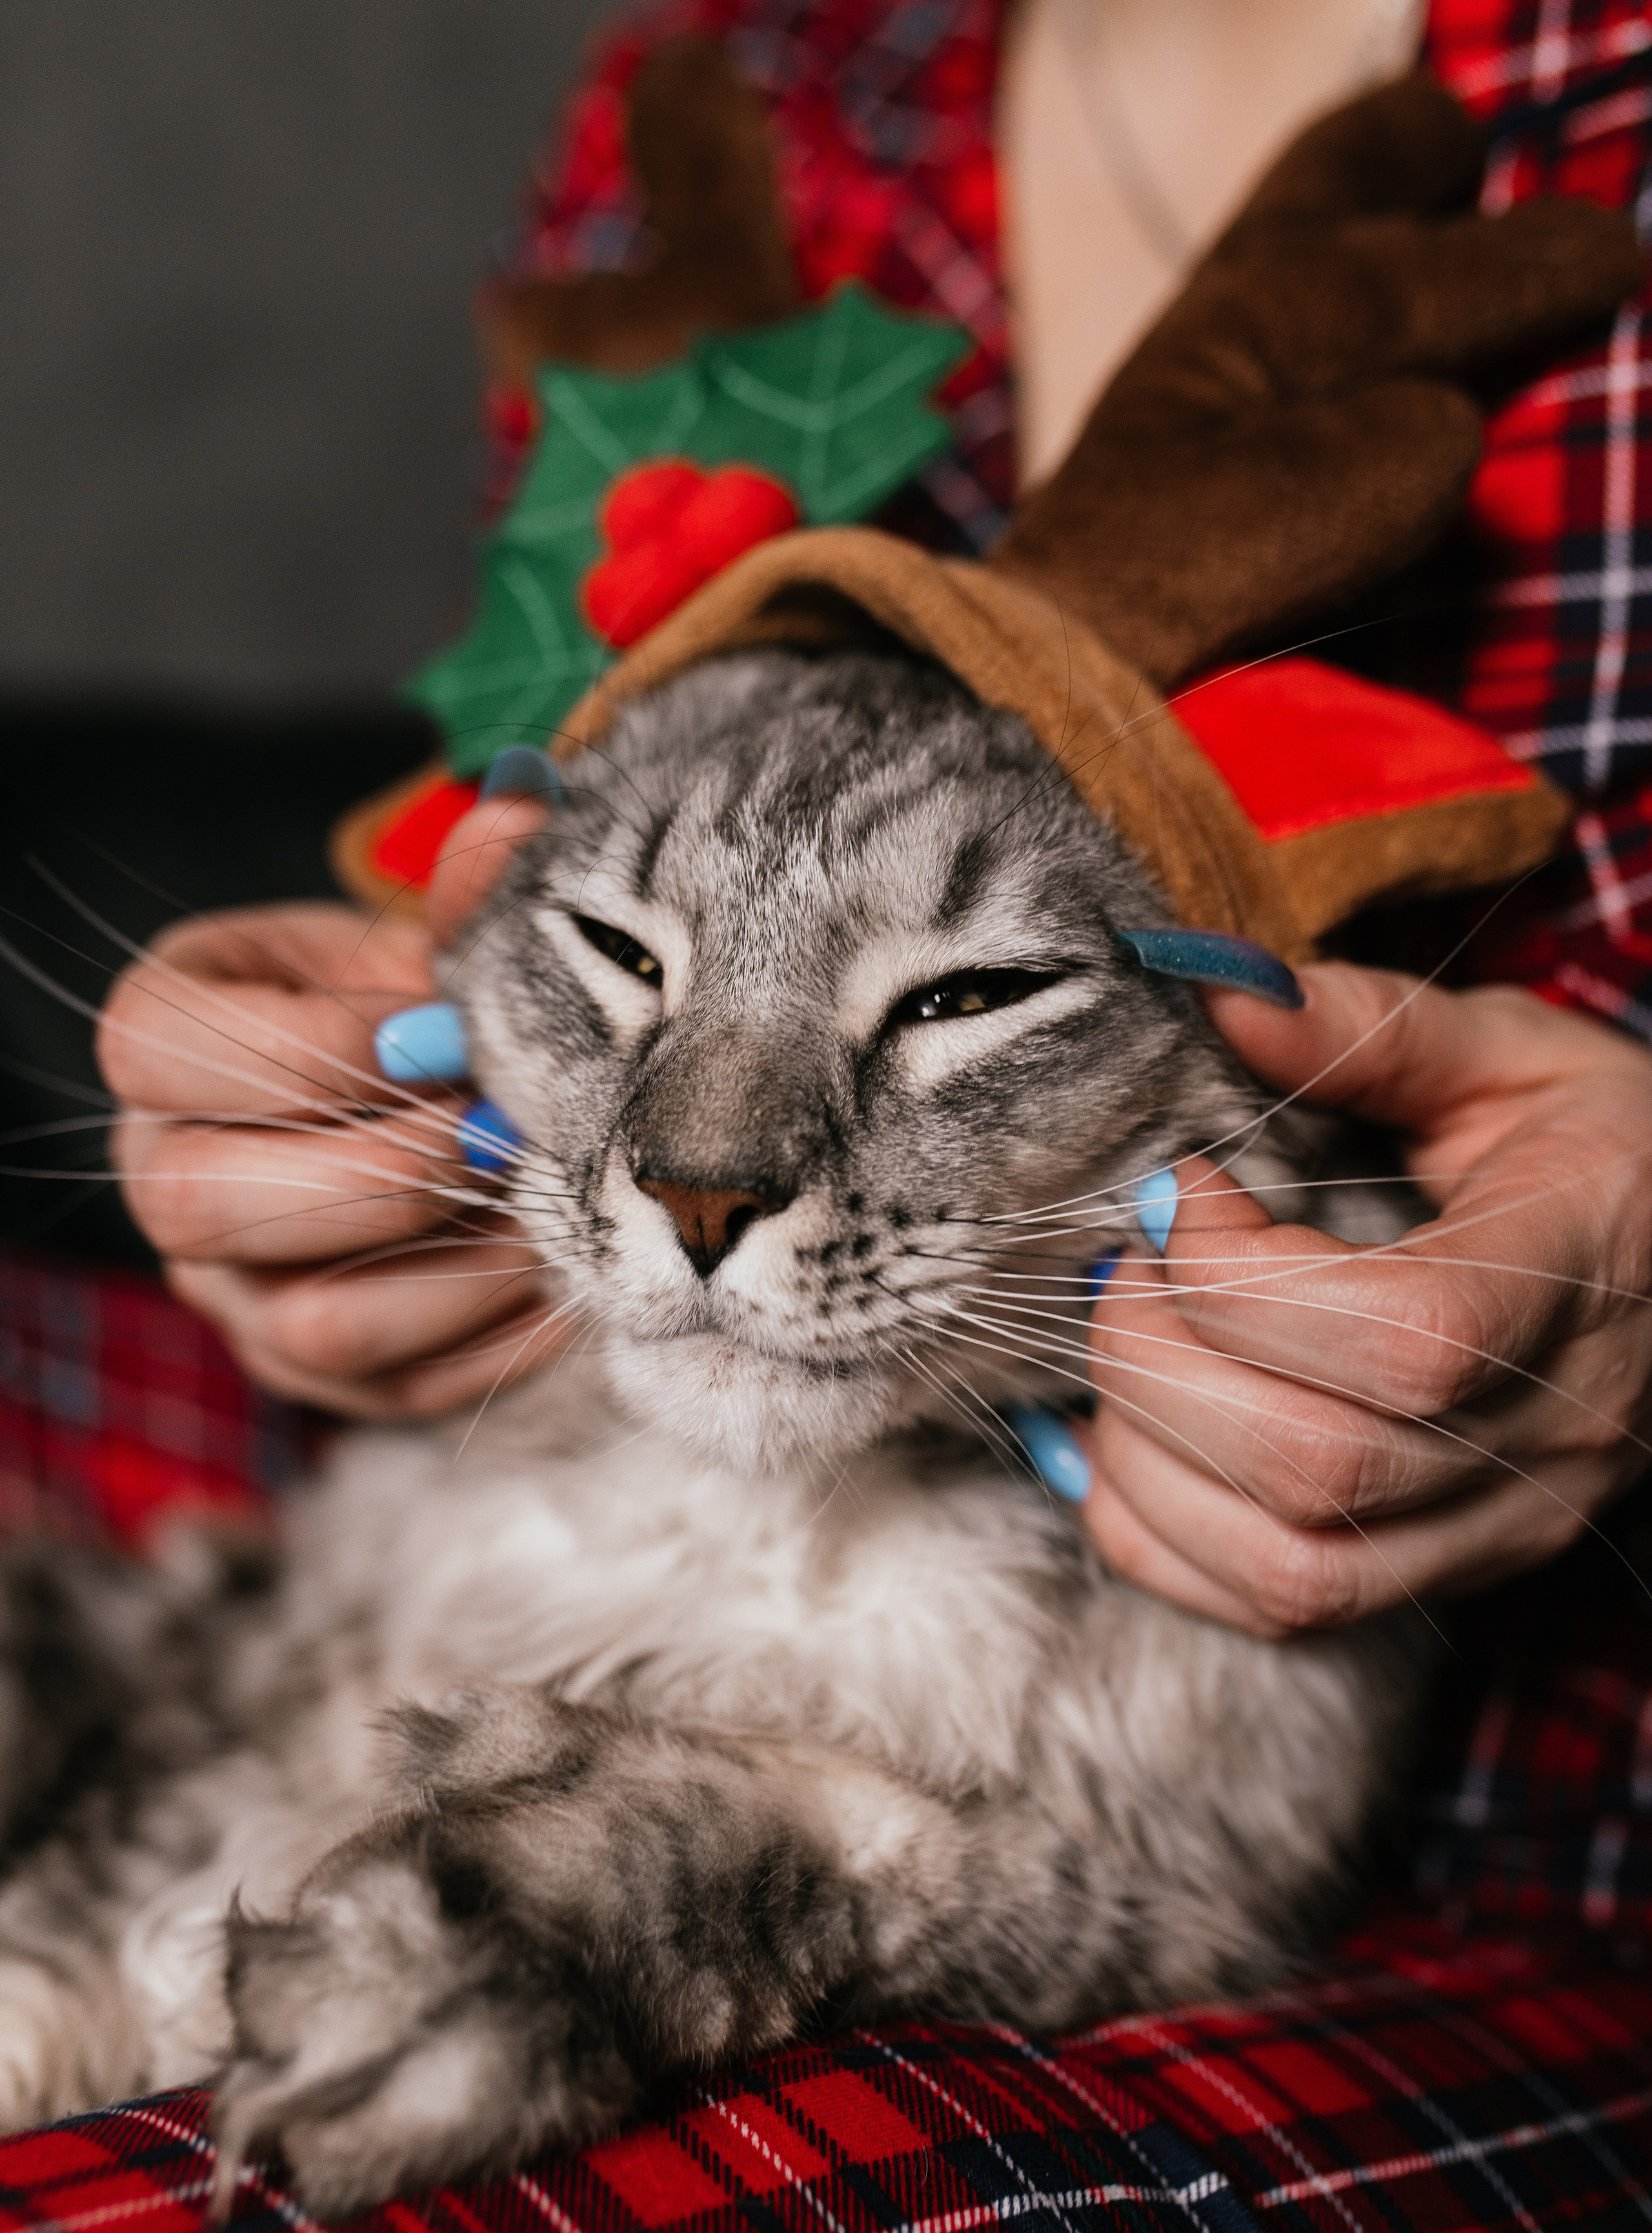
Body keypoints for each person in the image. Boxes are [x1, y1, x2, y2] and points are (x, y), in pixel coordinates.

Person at [97, 0, 1652, 1640]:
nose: (706, 1175)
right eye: (627, 953)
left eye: (961, 988)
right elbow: (538, 802)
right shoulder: (755, 67)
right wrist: (327, 1121)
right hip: (530, 1512)